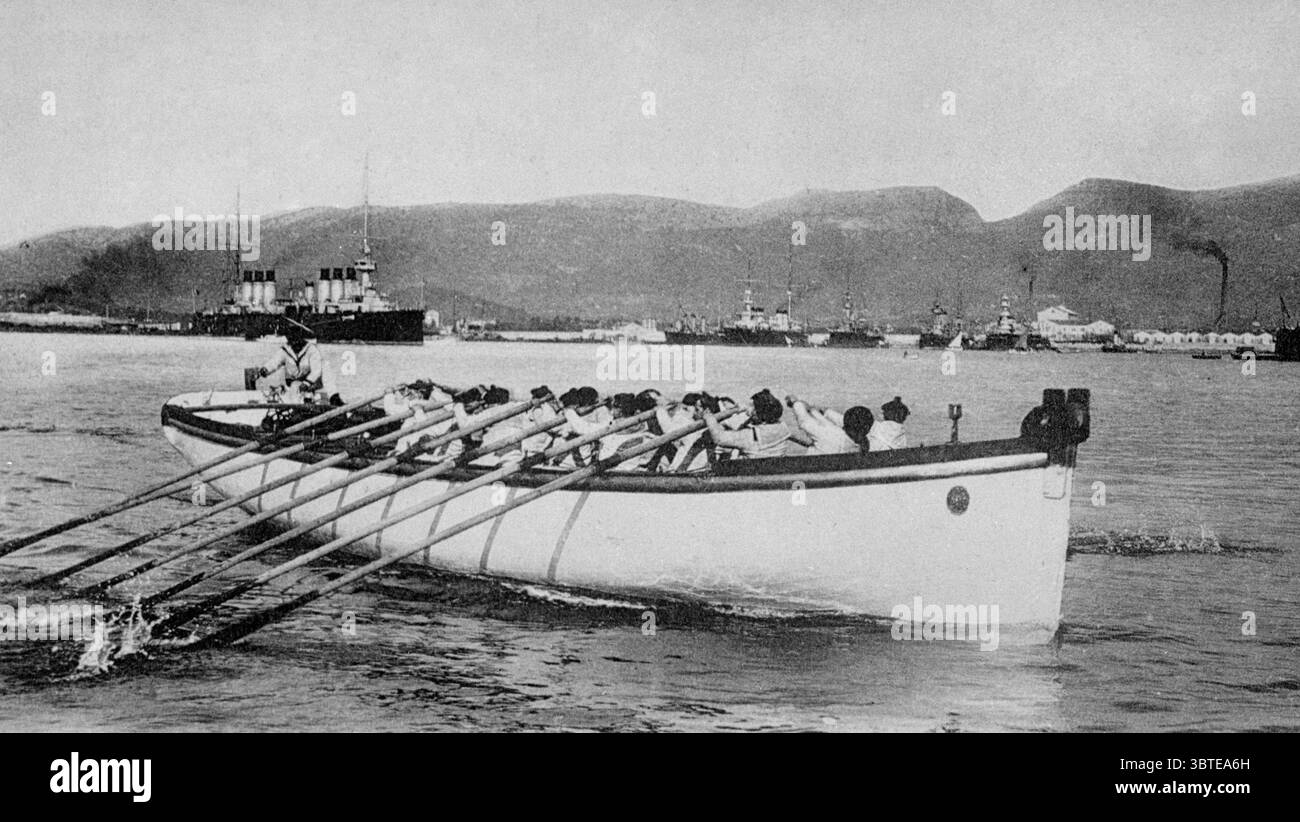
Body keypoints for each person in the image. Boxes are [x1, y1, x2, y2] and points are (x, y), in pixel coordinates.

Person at [259, 324, 339, 405]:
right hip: (296, 382)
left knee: (325, 366)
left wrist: (307, 383)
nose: (294, 343)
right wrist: (266, 369)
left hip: (312, 382)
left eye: (296, 339)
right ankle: (299, 409)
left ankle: (334, 397)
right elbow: (275, 362)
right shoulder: (285, 350)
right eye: (291, 339)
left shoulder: (311, 349)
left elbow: (316, 370)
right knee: (295, 387)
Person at [701, 388, 790, 459]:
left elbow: (719, 438)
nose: (747, 409)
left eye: (751, 406)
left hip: (749, 473)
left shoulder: (749, 436)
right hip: (771, 470)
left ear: (757, 412)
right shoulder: (783, 427)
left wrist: (710, 419)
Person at [785, 395, 858, 455]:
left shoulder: (831, 434)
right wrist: (814, 410)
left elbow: (804, 419)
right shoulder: (863, 440)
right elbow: (837, 418)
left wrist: (796, 403)